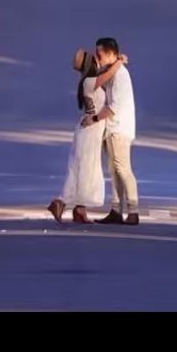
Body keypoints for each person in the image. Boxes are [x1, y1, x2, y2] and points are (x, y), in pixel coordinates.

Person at [48, 47, 128, 224]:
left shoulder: (88, 80)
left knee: (84, 169)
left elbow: (106, 74)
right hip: (89, 131)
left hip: (90, 131)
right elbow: (109, 74)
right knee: (85, 170)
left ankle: (79, 210)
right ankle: (61, 202)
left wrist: (115, 61)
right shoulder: (91, 81)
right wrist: (119, 62)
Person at [88, 37, 139, 226]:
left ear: (110, 53)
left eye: (100, 54)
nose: (97, 57)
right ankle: (116, 210)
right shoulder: (113, 72)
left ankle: (133, 210)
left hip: (119, 128)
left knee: (122, 168)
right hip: (112, 128)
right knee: (114, 170)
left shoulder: (120, 75)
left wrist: (94, 119)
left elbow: (115, 106)